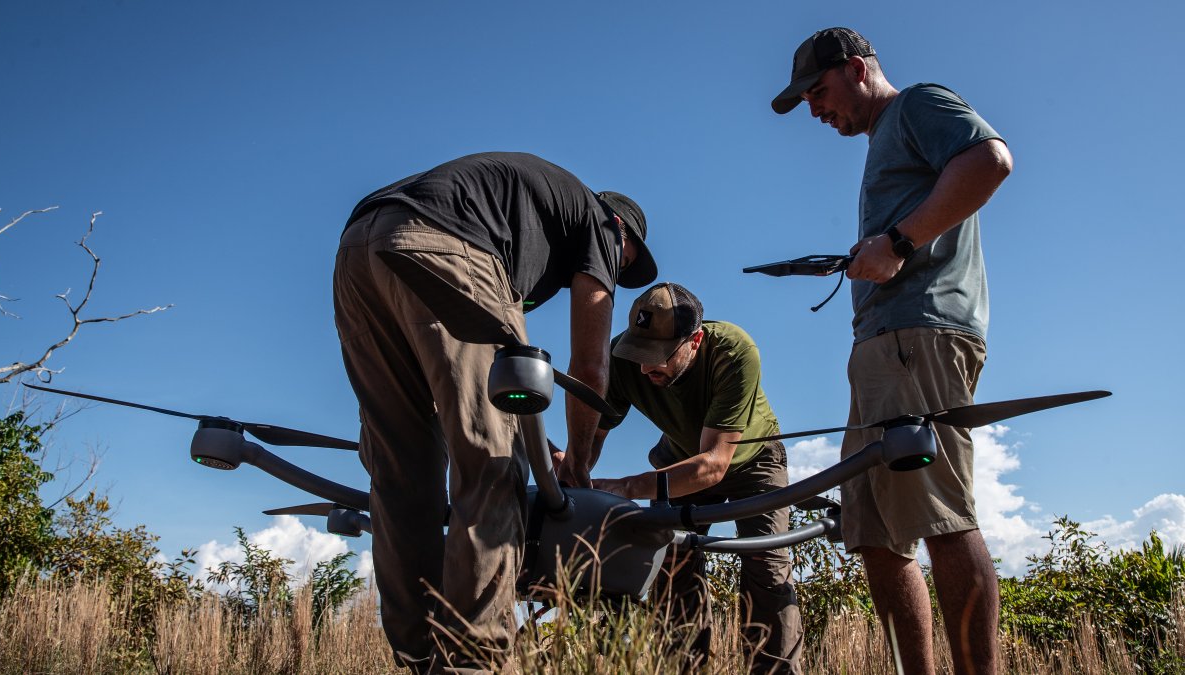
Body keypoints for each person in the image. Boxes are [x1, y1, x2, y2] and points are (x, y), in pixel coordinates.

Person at [333, 151, 657, 673]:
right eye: (623, 262)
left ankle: (418, 653)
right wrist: (577, 466)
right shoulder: (601, 224)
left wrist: (543, 445)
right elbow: (589, 366)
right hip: (444, 242)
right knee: (491, 465)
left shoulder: (528, 226)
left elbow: (487, 379)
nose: (617, 271)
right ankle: (474, 659)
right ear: (620, 232)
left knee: (400, 470)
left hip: (358, 250)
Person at [770, 27, 1013, 674]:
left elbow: (990, 160)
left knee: (941, 514)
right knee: (875, 535)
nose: (815, 109)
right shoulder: (886, 138)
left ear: (857, 69)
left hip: (920, 337)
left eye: (817, 91)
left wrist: (899, 242)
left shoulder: (916, 104)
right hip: (881, 348)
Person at [558, 282, 803, 674]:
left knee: (766, 564)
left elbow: (713, 464)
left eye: (658, 357)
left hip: (752, 460)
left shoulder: (734, 351)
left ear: (695, 340)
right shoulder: (621, 359)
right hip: (680, 454)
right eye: (639, 353)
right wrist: (574, 468)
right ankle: (682, 667)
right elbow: (592, 440)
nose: (645, 368)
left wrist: (626, 488)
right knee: (671, 562)